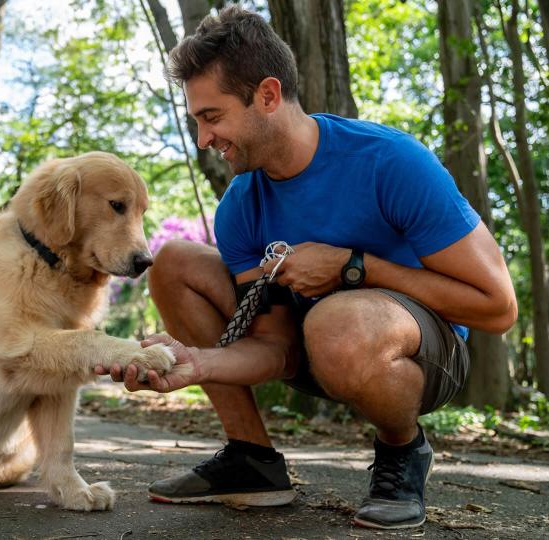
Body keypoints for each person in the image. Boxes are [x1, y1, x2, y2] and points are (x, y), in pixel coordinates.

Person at [94, 5, 517, 531]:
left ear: (268, 96)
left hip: (422, 354)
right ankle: (252, 460)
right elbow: (277, 348)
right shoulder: (241, 204)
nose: (204, 139)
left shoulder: (391, 162)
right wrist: (197, 363)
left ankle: (402, 451)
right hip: (314, 346)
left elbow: (497, 308)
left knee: (338, 323)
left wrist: (356, 268)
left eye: (212, 117)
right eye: (198, 120)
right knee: (175, 261)